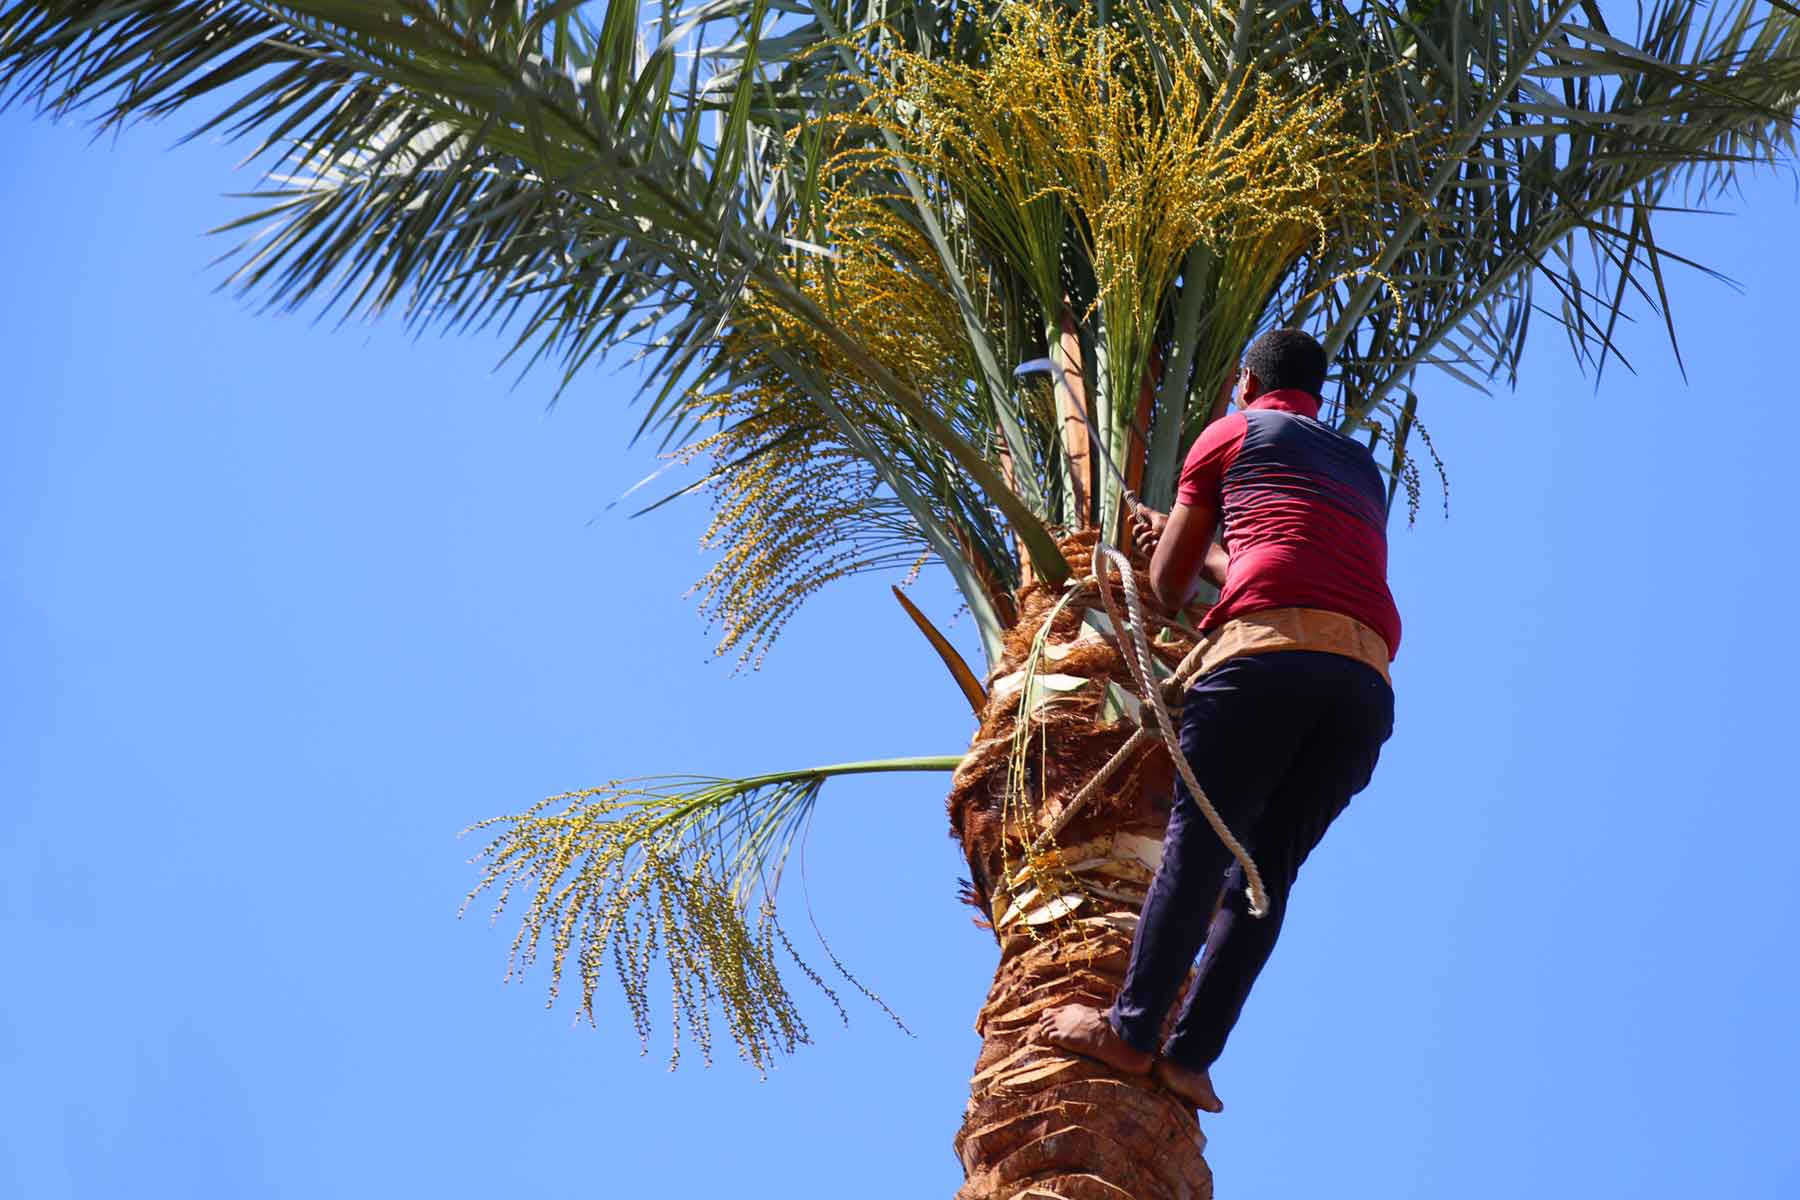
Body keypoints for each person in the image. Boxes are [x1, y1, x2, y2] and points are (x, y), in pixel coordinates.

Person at [1036, 328, 1401, 1114]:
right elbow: (1278, 566)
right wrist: (1187, 536)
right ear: (1316, 392)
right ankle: (1191, 1060)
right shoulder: (1360, 467)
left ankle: (1130, 1035)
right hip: (1362, 687)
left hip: (1261, 667)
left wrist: (1158, 542)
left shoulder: (1229, 433)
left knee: (1196, 852)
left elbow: (1164, 593)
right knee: (1265, 877)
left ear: (1244, 382)